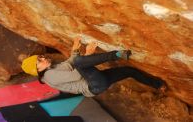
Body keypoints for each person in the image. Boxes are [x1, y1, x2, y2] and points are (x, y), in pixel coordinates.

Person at [21, 37, 166, 97]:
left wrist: (75, 50)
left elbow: (70, 63)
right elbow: (77, 73)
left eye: (40, 57)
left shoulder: (52, 68)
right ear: (37, 70)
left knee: (129, 71)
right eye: (39, 60)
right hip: (93, 86)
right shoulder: (50, 76)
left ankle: (158, 85)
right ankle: (117, 54)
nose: (43, 57)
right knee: (79, 62)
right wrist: (87, 55)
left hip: (97, 82)